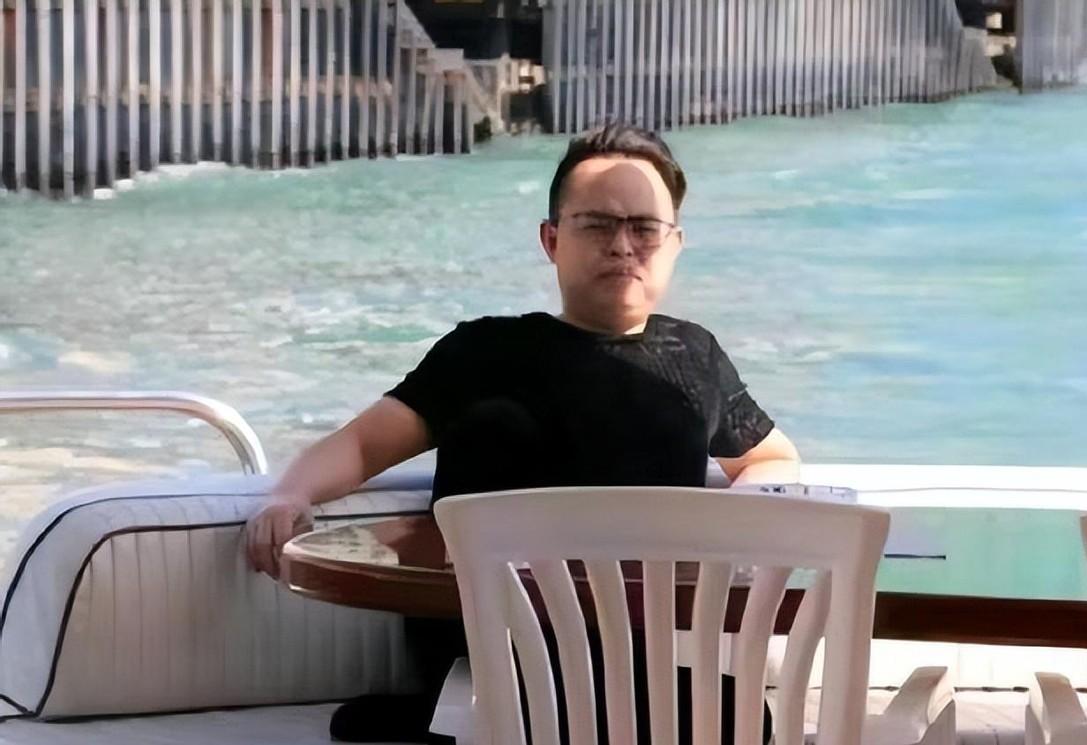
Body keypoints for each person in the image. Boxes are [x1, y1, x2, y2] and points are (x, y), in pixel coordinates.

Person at [245, 122, 802, 743]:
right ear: (552, 239)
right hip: (485, 659)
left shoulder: (693, 357)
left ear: (674, 244)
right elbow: (361, 444)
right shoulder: (483, 352)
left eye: (644, 229)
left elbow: (771, 457)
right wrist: (290, 494)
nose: (623, 246)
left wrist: (738, 520)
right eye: (598, 225)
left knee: (744, 716)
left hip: (627, 662)